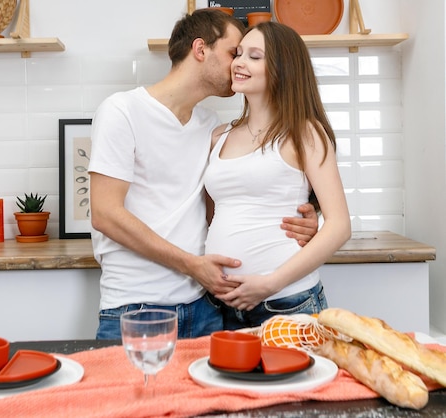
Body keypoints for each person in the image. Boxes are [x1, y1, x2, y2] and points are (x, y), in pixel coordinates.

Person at [88, 10, 319, 340]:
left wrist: (309, 219)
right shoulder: (122, 111)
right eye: (233, 52)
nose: (239, 63)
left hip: (207, 307)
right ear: (200, 49)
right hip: (137, 309)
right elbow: (105, 214)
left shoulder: (212, 127)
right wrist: (191, 266)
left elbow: (238, 200)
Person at [204, 21, 351, 329]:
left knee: (298, 379)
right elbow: (214, 216)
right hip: (224, 305)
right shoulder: (220, 136)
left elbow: (339, 226)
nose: (239, 63)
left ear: (283, 68)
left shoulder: (304, 132)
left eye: (255, 56)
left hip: (286, 300)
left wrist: (269, 283)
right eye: (239, 53)